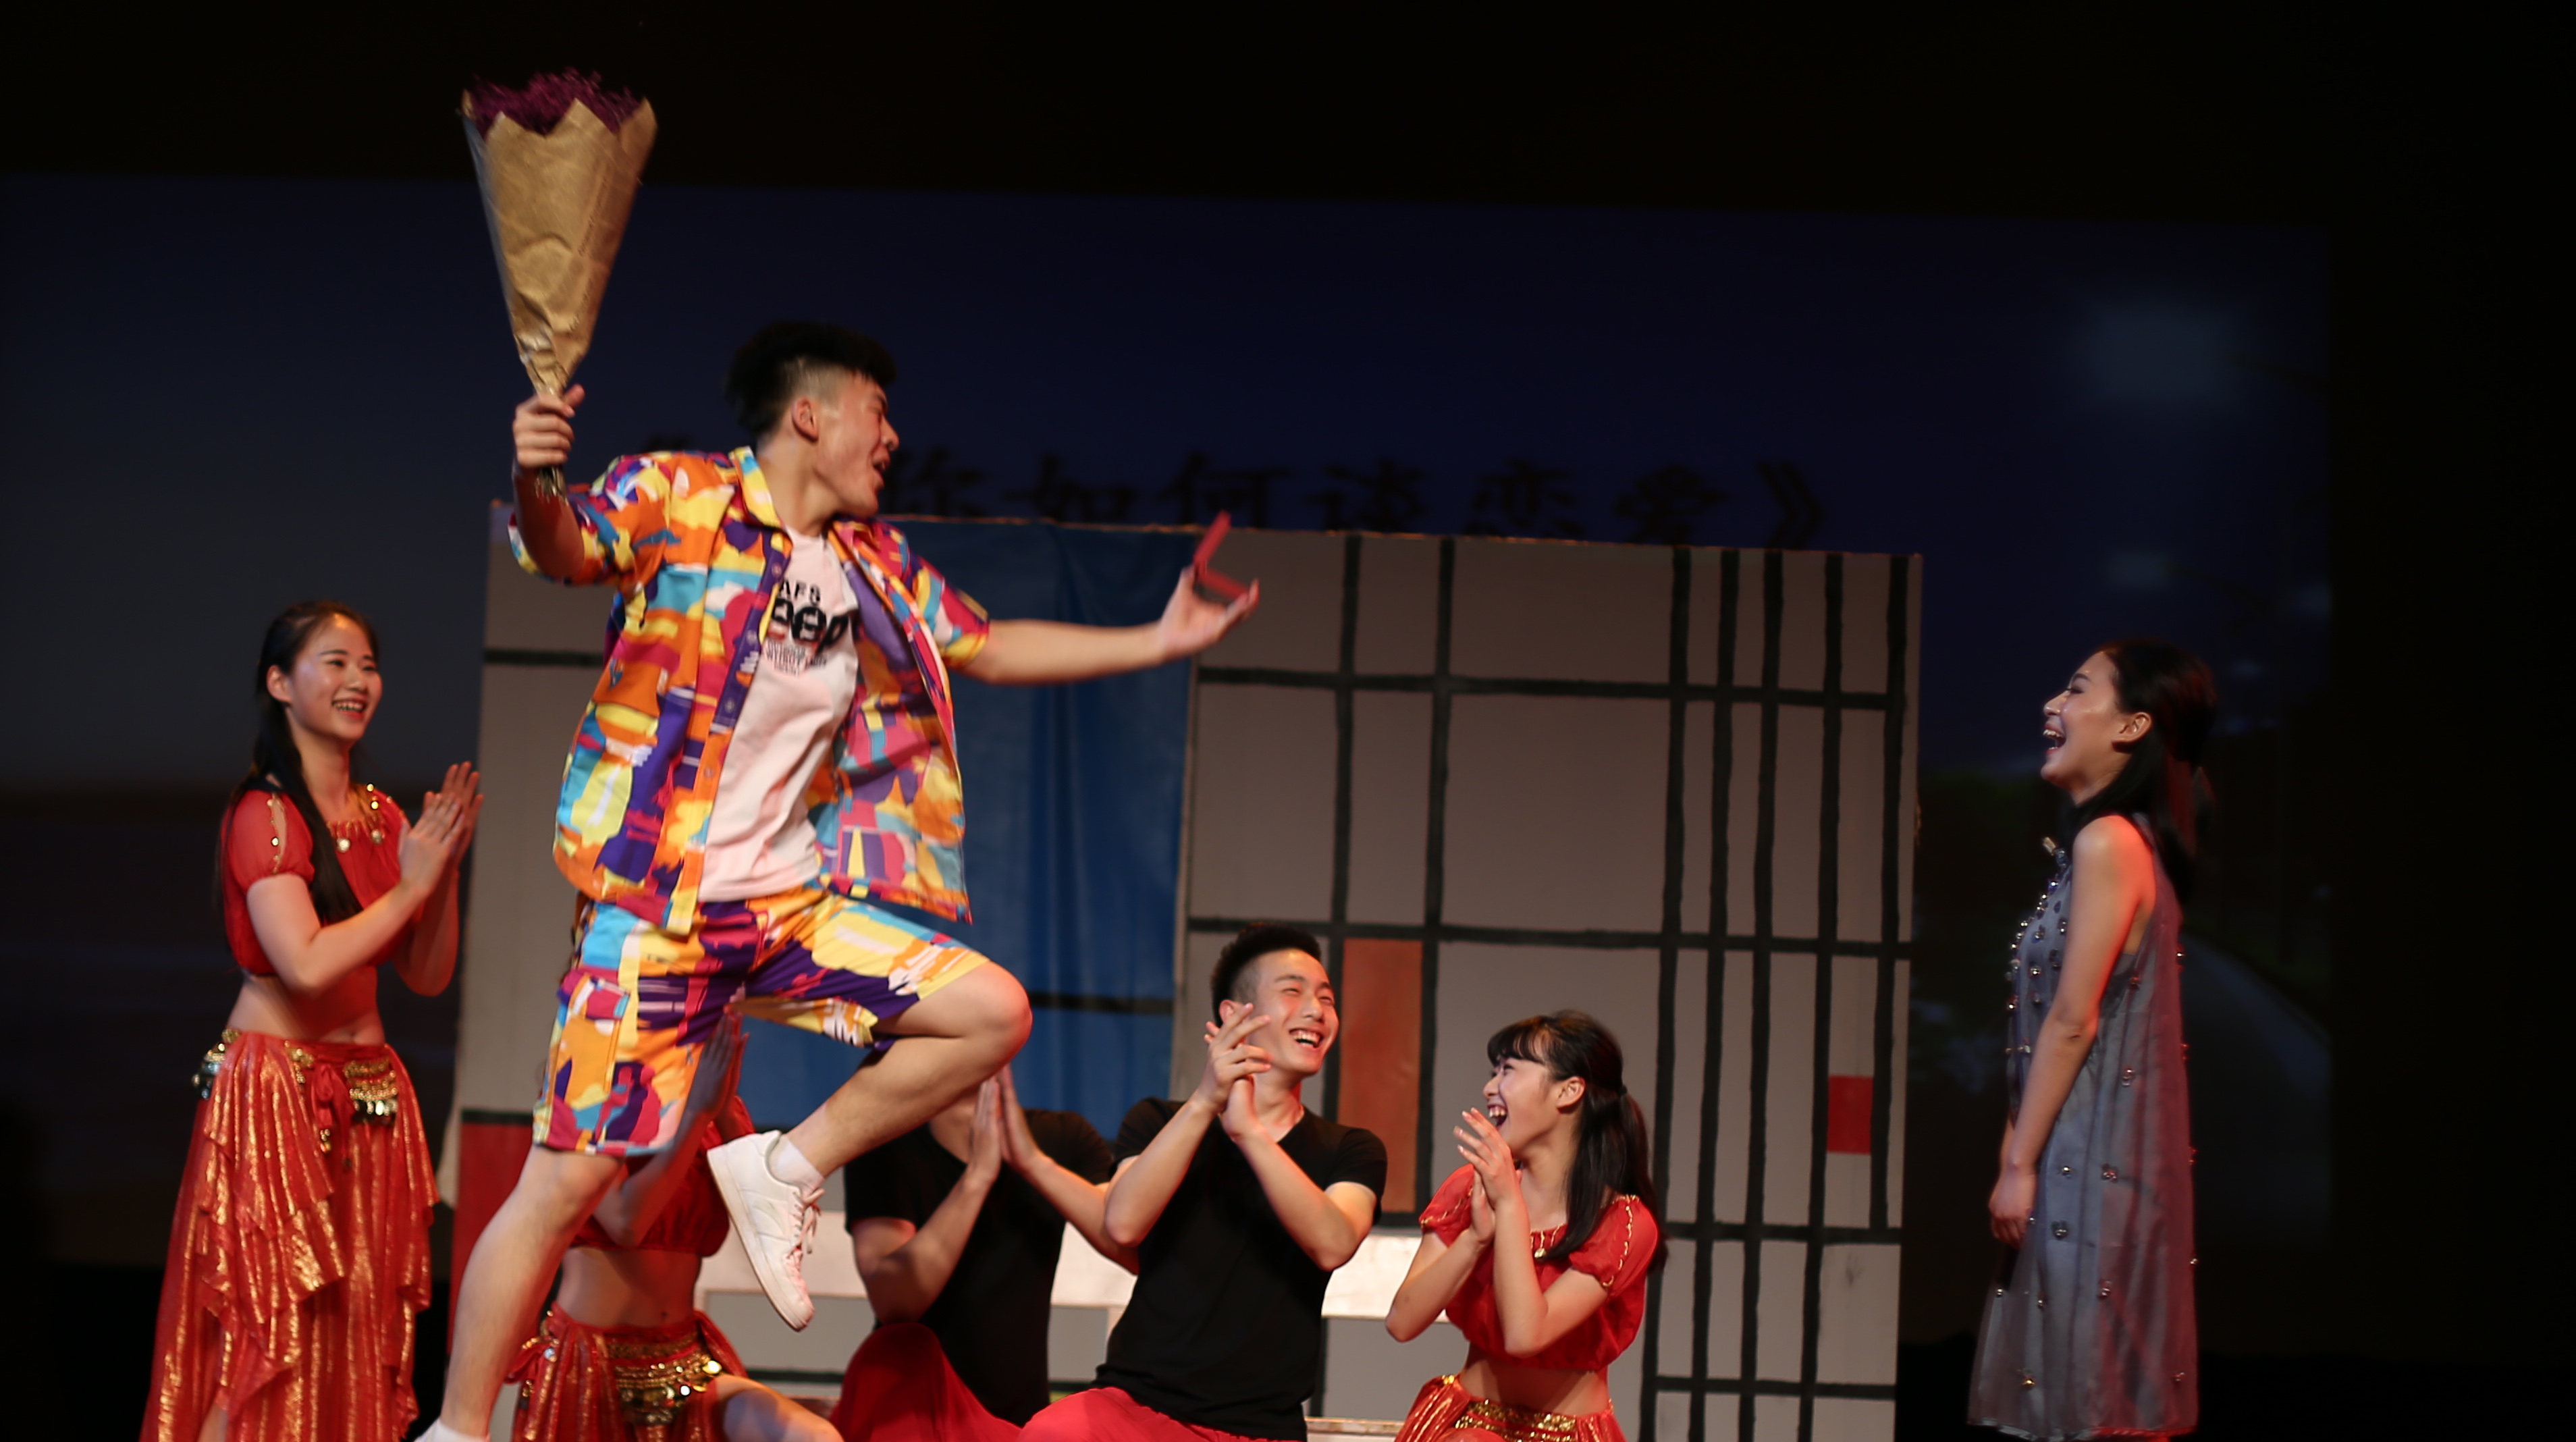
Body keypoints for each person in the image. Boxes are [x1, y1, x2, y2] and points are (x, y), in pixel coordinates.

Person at [425, 321, 1258, 1442]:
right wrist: (536, 478)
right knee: (563, 1185)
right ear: (810, 415)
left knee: (992, 1011)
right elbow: (566, 547)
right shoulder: (681, 495)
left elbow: (987, 644)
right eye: (878, 410)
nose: (893, 436)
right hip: (660, 913)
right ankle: (457, 1428)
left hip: (787, 912)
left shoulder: (872, 562)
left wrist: (1156, 639)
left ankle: (786, 1167)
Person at [142, 601, 481, 1442]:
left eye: (368, 665)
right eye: (335, 662)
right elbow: (304, 962)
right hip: (275, 1100)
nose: (358, 679)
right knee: (259, 1340)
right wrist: (411, 886)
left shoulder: (385, 817)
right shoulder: (264, 814)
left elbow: (427, 976)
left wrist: (441, 872)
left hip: (370, 1104)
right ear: (279, 683)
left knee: (349, 1340)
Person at [1968, 639, 2215, 1440]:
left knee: (2088, 1404)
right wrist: (2019, 1149)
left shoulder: (2109, 842)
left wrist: (2018, 1165)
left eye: (2077, 690)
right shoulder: (2110, 843)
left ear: (2133, 726)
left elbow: (2074, 1020)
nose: (2054, 706)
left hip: (2091, 1169)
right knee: (2080, 1402)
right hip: (2075, 1162)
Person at [1019, 925, 1387, 1442]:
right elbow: (1122, 1224)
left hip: (1258, 1428)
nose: (1316, 1010)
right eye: (1293, 991)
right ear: (1234, 1016)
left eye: (1326, 999)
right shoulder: (1157, 1120)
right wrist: (1204, 1104)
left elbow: (1333, 1243)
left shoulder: (1351, 1149)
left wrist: (1249, 1133)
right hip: (1134, 1407)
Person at [509, 1014, 837, 1442]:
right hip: (590, 1367)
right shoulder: (586, 1094)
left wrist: (723, 1108)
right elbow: (626, 1222)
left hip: (685, 1364)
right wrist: (698, 1114)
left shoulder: (708, 1101)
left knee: (815, 1437)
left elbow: (758, 1209)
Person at [1384, 1011, 1663, 1442]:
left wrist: (1510, 1207)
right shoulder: (1470, 1188)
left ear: (1569, 1091)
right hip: (1466, 1425)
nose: (1490, 1088)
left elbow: (1525, 1334)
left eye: (1508, 1070)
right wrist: (1475, 1239)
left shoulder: (1624, 1222)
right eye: (1493, 1072)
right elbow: (1402, 1322)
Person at [830, 1067, 1133, 1441]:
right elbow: (894, 1303)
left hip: (1014, 1417)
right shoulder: (888, 1144)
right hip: (908, 1406)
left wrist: (1033, 1163)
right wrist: (977, 1178)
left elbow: (1128, 1247)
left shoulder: (1063, 1136)